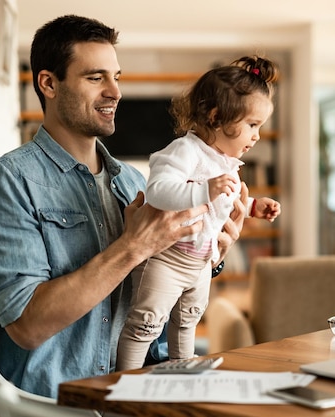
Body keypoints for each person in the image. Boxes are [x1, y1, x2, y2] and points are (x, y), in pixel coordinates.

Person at [0, 15, 246, 399]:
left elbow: (154, 299)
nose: (115, 91)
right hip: (64, 403)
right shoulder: (7, 182)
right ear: (49, 83)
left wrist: (210, 256)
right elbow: (27, 326)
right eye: (96, 78)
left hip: (140, 390)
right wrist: (134, 246)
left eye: (117, 77)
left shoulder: (133, 183)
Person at [117, 56, 281, 370]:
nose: (257, 136)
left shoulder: (225, 162)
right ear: (217, 117)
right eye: (252, 125)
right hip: (169, 258)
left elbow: (221, 203)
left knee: (188, 321)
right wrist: (206, 190)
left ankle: (183, 372)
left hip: (202, 262)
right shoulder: (186, 150)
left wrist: (252, 207)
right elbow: (158, 191)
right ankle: (127, 379)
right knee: (146, 323)